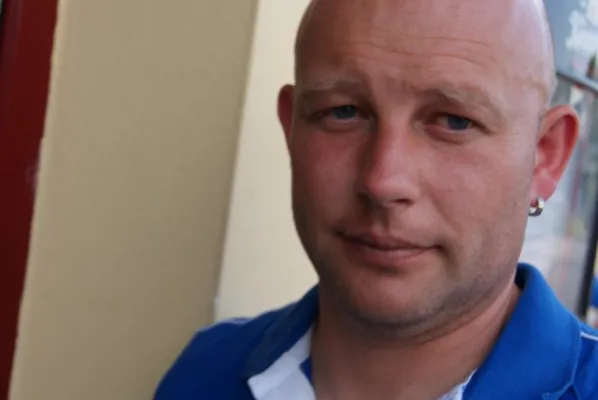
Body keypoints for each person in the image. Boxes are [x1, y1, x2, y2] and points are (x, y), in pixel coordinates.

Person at [155, 0, 598, 398]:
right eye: (343, 112)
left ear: (544, 157)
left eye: (454, 121)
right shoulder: (203, 372)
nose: (383, 181)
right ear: (292, 129)